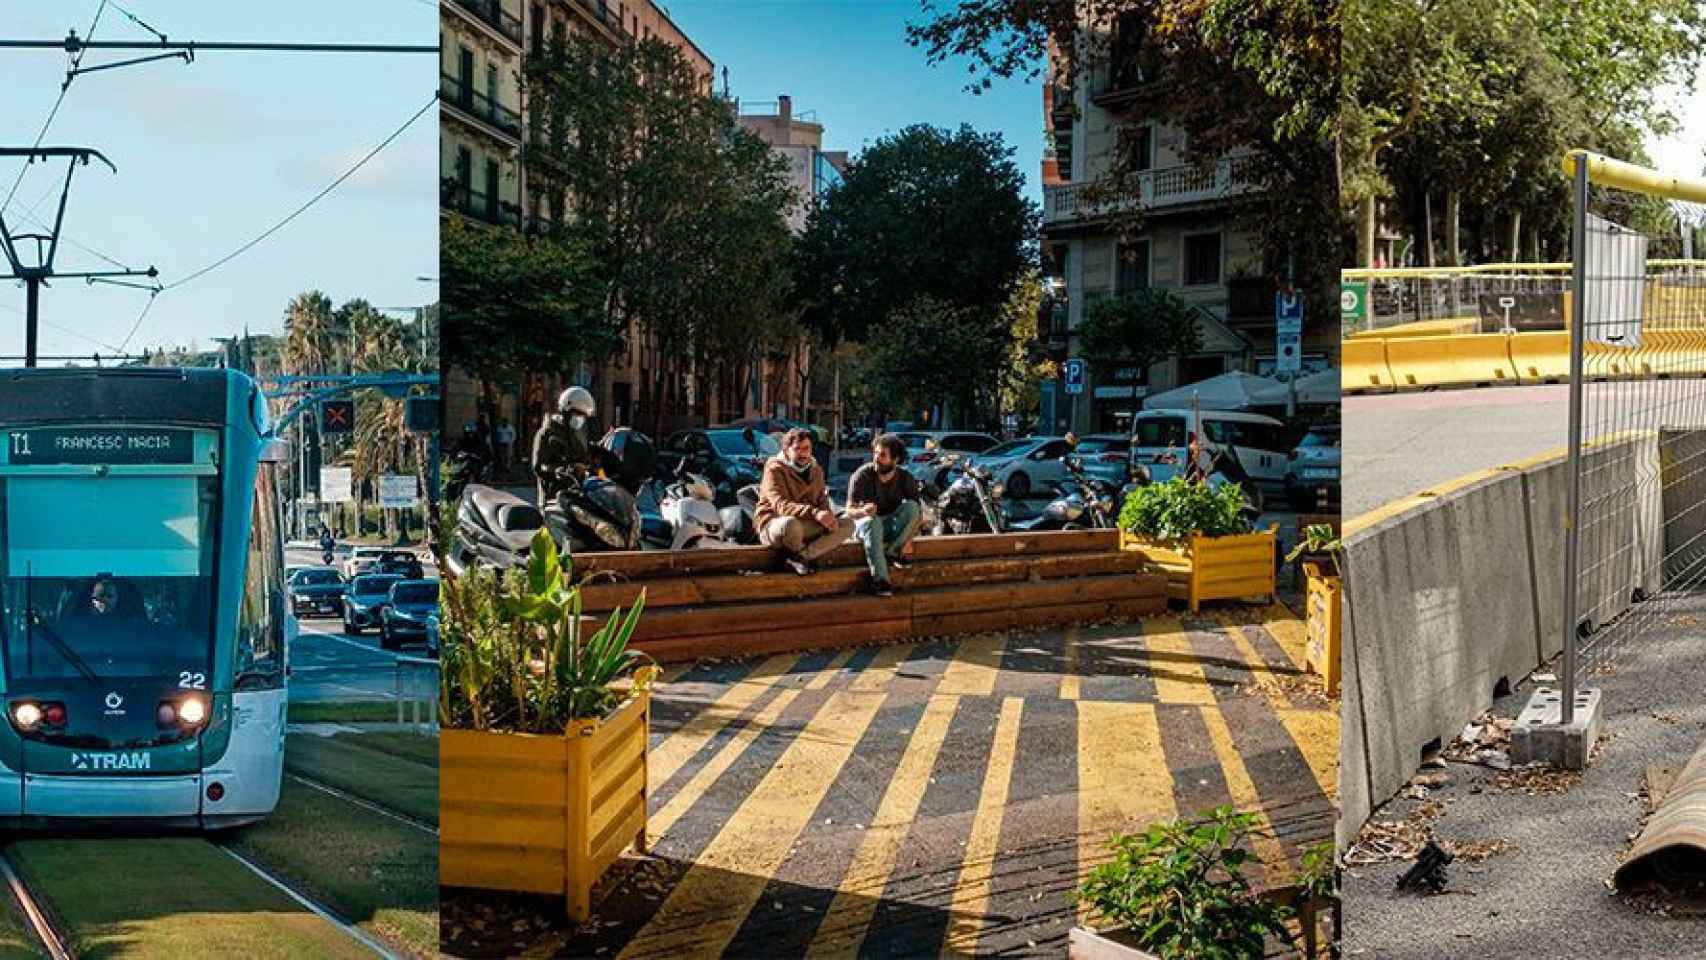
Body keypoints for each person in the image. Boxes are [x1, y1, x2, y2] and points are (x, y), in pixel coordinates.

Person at [756, 427, 855, 576]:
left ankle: (801, 557)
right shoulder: (774, 468)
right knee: (790, 524)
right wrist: (815, 513)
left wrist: (828, 517)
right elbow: (780, 505)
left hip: (806, 524)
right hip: (775, 525)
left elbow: (822, 501)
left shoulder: (817, 470)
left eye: (806, 448)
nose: (803, 453)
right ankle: (803, 557)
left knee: (848, 524)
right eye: (797, 449)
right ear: (786, 450)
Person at [845, 433, 923, 597]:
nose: (876, 458)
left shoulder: (905, 477)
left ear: (895, 460)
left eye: (882, 455)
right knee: (873, 522)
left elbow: (917, 514)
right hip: (864, 524)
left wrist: (908, 539)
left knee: (912, 507)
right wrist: (863, 511)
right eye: (875, 453)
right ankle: (881, 581)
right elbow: (849, 511)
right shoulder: (862, 474)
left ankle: (893, 553)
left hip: (888, 525)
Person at [533, 386, 597, 507]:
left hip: (576, 495)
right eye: (577, 413)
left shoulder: (576, 433)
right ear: (566, 411)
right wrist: (562, 470)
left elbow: (584, 456)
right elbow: (539, 466)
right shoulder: (548, 432)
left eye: (583, 415)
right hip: (553, 498)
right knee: (550, 525)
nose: (580, 418)